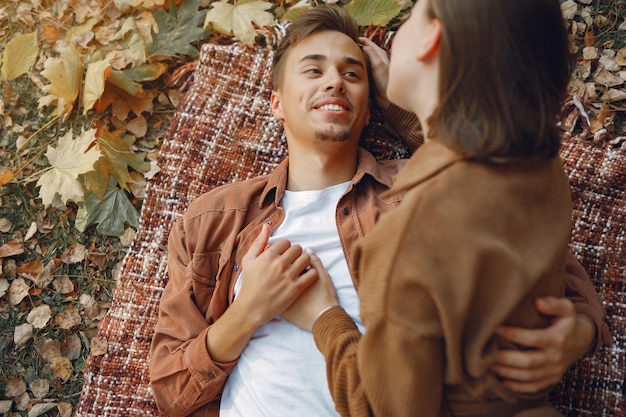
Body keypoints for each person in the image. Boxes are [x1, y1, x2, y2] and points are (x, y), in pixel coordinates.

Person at [149, 5, 610, 417]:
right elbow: (171, 391)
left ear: (370, 108)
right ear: (276, 105)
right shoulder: (212, 220)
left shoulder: (416, 195)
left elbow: (518, 225)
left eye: (353, 74)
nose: (334, 80)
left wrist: (583, 327)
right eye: (313, 71)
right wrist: (245, 313)